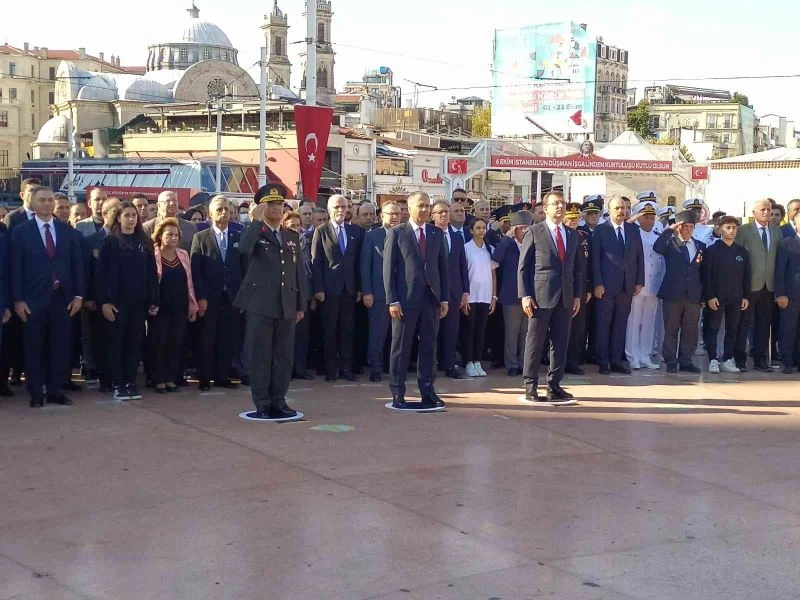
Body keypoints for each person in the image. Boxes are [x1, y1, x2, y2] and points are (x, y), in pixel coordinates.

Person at [234, 184, 306, 419]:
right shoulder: (255, 233)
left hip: (286, 304)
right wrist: (256, 221)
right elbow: (244, 249)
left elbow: (298, 272)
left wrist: (300, 305)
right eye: (271, 204)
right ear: (261, 207)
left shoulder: (290, 236)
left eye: (279, 204)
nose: (276, 208)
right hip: (260, 305)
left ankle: (279, 400)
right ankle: (262, 402)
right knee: (260, 355)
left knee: (283, 356)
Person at [11, 186, 84, 407]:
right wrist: (18, 300)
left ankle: (55, 390)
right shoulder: (21, 232)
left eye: (50, 200)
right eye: (42, 200)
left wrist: (79, 295)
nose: (46, 204)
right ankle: (36, 392)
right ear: (33, 203)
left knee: (59, 347)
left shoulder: (66, 231)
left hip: (62, 299)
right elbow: (15, 268)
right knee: (34, 348)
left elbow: (77, 265)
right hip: (32, 300)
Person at [384, 192, 449, 408]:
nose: (424, 209)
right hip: (405, 299)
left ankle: (428, 390)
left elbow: (442, 268)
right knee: (401, 346)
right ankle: (397, 391)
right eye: (420, 205)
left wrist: (444, 298)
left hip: (431, 298)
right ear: (409, 208)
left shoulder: (436, 233)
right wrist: (393, 300)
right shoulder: (397, 233)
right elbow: (388, 270)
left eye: (427, 206)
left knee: (429, 346)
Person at [518, 192, 582, 404]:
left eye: (563, 203)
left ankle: (554, 385)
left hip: (565, 296)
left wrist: (577, 295)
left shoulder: (572, 234)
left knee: (560, 343)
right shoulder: (534, 231)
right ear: (545, 208)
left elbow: (577, 269)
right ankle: (530, 385)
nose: (560, 207)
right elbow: (523, 268)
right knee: (535, 342)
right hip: (540, 295)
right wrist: (525, 295)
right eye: (556, 204)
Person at [97, 201, 159, 401]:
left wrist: (153, 299)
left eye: (134, 215)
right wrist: (104, 302)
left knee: (134, 344)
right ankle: (118, 384)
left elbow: (152, 274)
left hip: (138, 304)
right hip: (116, 304)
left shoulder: (145, 242)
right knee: (116, 344)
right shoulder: (110, 242)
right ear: (118, 217)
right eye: (127, 215)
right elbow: (101, 275)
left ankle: (131, 383)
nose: (131, 219)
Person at [190, 195, 245, 391]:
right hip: (209, 298)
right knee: (207, 338)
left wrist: (242, 297)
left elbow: (244, 268)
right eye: (219, 209)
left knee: (227, 338)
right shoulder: (200, 237)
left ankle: (223, 376)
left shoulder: (238, 236)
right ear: (210, 213)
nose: (224, 213)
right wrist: (201, 297)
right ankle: (205, 378)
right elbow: (196, 271)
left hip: (232, 297)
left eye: (227, 209)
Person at [311, 194, 364, 382]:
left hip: (349, 289)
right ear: (329, 210)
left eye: (344, 206)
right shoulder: (321, 231)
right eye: (337, 207)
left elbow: (358, 263)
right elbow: (316, 262)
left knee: (347, 330)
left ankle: (346, 369)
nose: (341, 210)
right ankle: (331, 369)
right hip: (329, 290)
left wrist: (359, 288)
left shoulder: (356, 232)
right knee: (329, 330)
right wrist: (318, 288)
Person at [591, 195, 644, 374]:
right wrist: (597, 283)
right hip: (606, 286)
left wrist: (639, 281)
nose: (622, 211)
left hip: (627, 286)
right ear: (610, 210)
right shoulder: (600, 230)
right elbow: (595, 259)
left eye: (624, 208)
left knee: (621, 325)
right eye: (618, 208)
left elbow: (639, 256)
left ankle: (616, 361)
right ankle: (603, 362)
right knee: (604, 325)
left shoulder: (633, 230)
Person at [653, 210, 707, 373]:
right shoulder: (670, 243)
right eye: (685, 226)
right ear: (679, 227)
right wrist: (670, 229)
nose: (688, 230)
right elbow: (657, 247)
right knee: (671, 328)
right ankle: (671, 360)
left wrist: (703, 296)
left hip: (693, 294)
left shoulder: (700, 246)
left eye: (691, 226)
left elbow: (702, 272)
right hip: (673, 293)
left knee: (690, 330)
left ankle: (686, 360)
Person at [734, 198, 781, 372]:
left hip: (768, 285)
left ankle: (760, 359)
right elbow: (737, 257)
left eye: (769, 209)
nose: (766, 212)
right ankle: (739, 359)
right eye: (762, 209)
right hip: (749, 285)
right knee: (743, 323)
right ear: (754, 212)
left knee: (764, 323)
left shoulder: (776, 232)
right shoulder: (744, 230)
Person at [151, 218, 198, 393]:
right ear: (160, 236)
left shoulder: (183, 254)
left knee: (176, 342)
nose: (173, 237)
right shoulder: (152, 254)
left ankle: (171, 378)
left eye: (176, 235)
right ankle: (159, 379)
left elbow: (190, 281)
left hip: (180, 305)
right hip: (160, 307)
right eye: (169, 234)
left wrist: (192, 306)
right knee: (160, 342)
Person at [702, 216, 750, 374]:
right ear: (720, 229)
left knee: (732, 329)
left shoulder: (742, 252)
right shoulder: (712, 250)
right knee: (713, 328)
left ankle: (728, 358)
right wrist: (710, 296)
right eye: (728, 227)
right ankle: (713, 359)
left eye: (734, 228)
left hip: (736, 297)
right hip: (717, 297)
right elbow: (706, 275)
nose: (731, 231)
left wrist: (745, 296)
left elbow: (746, 276)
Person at [80, 196, 119, 391]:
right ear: (105, 214)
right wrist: (87, 297)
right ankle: (104, 378)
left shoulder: (130, 240)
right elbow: (86, 272)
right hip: (97, 301)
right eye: (116, 213)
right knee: (100, 341)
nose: (119, 217)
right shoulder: (91, 241)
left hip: (123, 300)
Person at [360, 201, 401, 382]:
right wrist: (367, 291)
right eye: (391, 214)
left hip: (401, 293)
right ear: (382, 216)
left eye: (397, 214)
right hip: (378, 293)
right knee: (378, 333)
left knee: (397, 334)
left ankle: (393, 367)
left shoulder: (406, 234)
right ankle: (375, 367)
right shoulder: (372, 236)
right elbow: (365, 265)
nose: (394, 217)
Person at [625, 198, 665, 369]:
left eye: (652, 217)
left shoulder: (658, 236)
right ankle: (632, 356)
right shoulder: (632, 233)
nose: (649, 221)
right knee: (634, 322)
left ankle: (645, 355)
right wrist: (634, 218)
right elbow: (624, 226)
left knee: (649, 322)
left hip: (654, 284)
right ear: (638, 218)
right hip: (637, 285)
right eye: (645, 217)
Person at [433, 200, 469, 379]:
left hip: (454, 290)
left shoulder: (456, 237)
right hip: (433, 290)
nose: (444, 215)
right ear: (433, 215)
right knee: (431, 331)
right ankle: (430, 365)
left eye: (446, 212)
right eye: (439, 212)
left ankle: (449, 365)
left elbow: (462, 265)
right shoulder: (429, 234)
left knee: (451, 330)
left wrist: (465, 291)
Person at [493, 210, 531, 376]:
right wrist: (507, 237)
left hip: (530, 294)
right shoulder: (508, 245)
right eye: (520, 228)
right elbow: (495, 258)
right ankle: (512, 364)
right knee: (511, 333)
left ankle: (524, 363)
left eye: (526, 227)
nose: (523, 231)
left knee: (526, 332)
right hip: (511, 295)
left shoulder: (533, 244)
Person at [460, 218, 497, 377]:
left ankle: (477, 361)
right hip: (471, 296)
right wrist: (464, 295)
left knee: (481, 331)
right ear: (471, 231)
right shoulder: (466, 248)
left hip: (485, 296)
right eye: (478, 228)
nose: (481, 231)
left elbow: (493, 275)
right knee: (469, 330)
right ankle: (468, 362)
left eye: (483, 228)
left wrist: (494, 296)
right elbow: (462, 273)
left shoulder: (490, 249)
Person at [283, 211, 314, 380]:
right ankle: (286, 370)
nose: (295, 229)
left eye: (297, 225)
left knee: (302, 334)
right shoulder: (282, 243)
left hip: (304, 293)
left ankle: (300, 368)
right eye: (291, 226)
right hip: (287, 295)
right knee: (286, 335)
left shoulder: (306, 242)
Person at [564, 202, 591, 374]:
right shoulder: (560, 236)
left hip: (580, 289)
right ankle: (559, 362)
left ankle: (573, 362)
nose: (573, 222)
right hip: (564, 288)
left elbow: (588, 264)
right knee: (562, 327)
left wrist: (588, 288)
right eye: (570, 219)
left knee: (578, 328)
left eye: (576, 219)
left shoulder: (583, 236)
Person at [775, 208, 800, 374]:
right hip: (791, 295)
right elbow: (780, 271)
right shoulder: (786, 244)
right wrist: (781, 294)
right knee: (788, 330)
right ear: (795, 224)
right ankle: (788, 362)